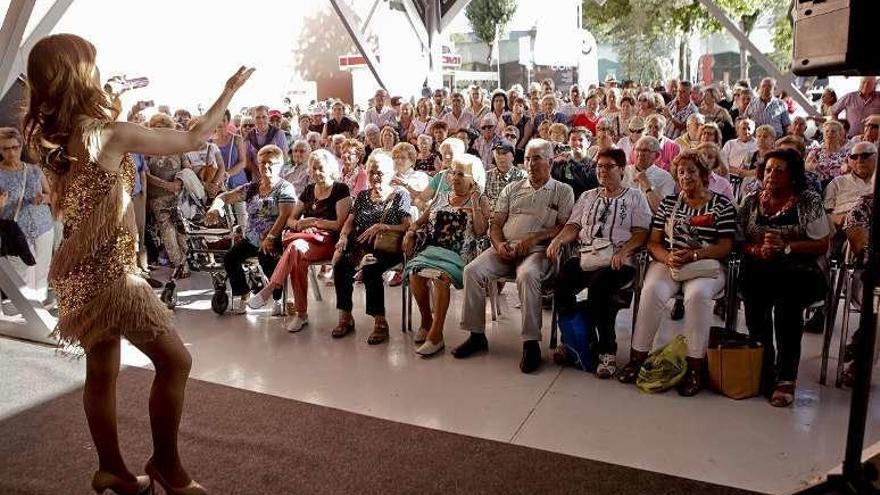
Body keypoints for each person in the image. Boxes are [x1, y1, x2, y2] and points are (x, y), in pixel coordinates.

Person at [22, 33, 253, 494]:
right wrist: (227, 92)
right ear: (78, 74)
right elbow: (193, 137)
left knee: (101, 370)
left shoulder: (56, 139)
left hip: (79, 273)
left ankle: (113, 470)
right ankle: (167, 465)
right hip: (112, 274)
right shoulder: (109, 134)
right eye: (92, 63)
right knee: (176, 363)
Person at [618, 150, 736, 396]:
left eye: (691, 171)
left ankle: (695, 367)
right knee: (651, 290)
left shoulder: (721, 205)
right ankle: (638, 356)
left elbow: (725, 245)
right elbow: (653, 242)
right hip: (669, 261)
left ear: (703, 174)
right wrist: (667, 257)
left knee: (697, 297)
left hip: (705, 264)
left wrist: (694, 255)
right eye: (681, 172)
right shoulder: (670, 204)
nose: (685, 177)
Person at [454, 139, 575, 373]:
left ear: (550, 161)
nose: (530, 163)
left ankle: (531, 344)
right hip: (506, 249)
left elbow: (564, 226)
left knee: (527, 275)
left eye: (537, 158)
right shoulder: (512, 188)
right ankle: (477, 335)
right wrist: (498, 244)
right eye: (528, 158)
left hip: (539, 252)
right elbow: (496, 222)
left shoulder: (563, 190)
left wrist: (533, 239)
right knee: (472, 271)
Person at [738, 148, 831, 407]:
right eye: (768, 169)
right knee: (755, 302)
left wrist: (787, 247)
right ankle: (765, 369)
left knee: (787, 308)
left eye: (780, 170)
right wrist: (758, 249)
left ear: (793, 175)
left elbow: (822, 243)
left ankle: (786, 376)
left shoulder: (807, 200)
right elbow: (739, 241)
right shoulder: (751, 200)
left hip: (801, 271)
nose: (772, 175)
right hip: (761, 267)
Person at [547, 148, 651, 378]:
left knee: (599, 287)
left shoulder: (635, 197)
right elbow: (573, 227)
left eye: (609, 166)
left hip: (618, 259)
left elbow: (641, 233)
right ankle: (573, 340)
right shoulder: (588, 196)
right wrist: (558, 240)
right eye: (599, 166)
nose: (602, 171)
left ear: (622, 169)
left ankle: (607, 350)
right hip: (588, 254)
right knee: (562, 280)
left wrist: (625, 251)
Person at [249, 149, 351, 332]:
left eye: (321, 168)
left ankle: (277, 292)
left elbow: (340, 224)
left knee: (295, 249)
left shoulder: (340, 189)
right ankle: (299, 312)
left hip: (328, 242)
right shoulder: (309, 190)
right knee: (297, 255)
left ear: (330, 169)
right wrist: (300, 225)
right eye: (313, 169)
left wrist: (316, 222)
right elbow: (290, 219)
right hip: (305, 240)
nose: (317, 173)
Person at [403, 154, 489, 356]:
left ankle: (436, 335)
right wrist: (410, 231)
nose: (455, 177)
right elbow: (421, 221)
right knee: (415, 272)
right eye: (452, 173)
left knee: (441, 278)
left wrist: (475, 202)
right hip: (432, 250)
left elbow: (480, 231)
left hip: (461, 254)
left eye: (461, 174)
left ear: (473, 179)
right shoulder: (442, 197)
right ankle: (426, 321)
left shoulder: (480, 200)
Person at [331, 151, 412, 344]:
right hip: (362, 246)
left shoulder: (400, 195)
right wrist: (343, 236)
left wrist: (383, 226)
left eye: (380, 173)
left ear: (391, 173)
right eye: (372, 172)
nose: (375, 176)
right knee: (341, 265)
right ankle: (345, 316)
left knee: (371, 269)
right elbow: (350, 221)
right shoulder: (362, 196)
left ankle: (380, 322)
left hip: (388, 247)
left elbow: (408, 226)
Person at [208, 145, 296, 314]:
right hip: (252, 239)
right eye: (262, 162)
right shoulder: (252, 188)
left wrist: (270, 237)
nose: (266, 167)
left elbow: (284, 215)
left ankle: (278, 299)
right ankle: (243, 293)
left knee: (267, 258)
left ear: (280, 165)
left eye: (271, 163)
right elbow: (224, 197)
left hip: (275, 238)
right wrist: (215, 208)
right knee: (230, 258)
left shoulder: (285, 188)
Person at [0, 127, 53, 302]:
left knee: (42, 268)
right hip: (17, 231)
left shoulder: (34, 170)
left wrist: (45, 198)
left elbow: (53, 195)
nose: (11, 152)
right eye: (5, 148)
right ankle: (29, 308)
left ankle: (40, 305)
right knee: (24, 272)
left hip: (43, 226)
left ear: (21, 146)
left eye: (15, 147)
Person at [143, 113, 192, 278]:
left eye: (162, 127)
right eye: (155, 127)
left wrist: (178, 182)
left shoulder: (178, 147)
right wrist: (166, 185)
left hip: (178, 196)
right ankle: (179, 265)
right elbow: (146, 174)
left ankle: (185, 261)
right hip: (157, 197)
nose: (159, 130)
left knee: (181, 231)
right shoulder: (147, 148)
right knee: (167, 231)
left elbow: (187, 168)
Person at [824, 142, 877, 230]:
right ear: (849, 161)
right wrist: (839, 219)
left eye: (865, 155)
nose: (859, 160)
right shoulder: (837, 182)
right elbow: (825, 213)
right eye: (854, 157)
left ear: (876, 157)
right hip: (846, 227)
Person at [213, 110, 248, 228]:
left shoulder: (237, 139)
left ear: (228, 121)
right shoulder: (209, 143)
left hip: (238, 183)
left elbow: (243, 162)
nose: (220, 123)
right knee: (227, 219)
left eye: (223, 120)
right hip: (220, 186)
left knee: (242, 216)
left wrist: (227, 173)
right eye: (217, 119)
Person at [622, 136, 676, 212]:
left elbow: (663, 212)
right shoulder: (622, 172)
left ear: (657, 155)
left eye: (645, 150)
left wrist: (647, 185)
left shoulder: (665, 178)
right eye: (637, 150)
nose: (640, 154)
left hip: (650, 222)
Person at [551, 127, 598, 200]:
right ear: (568, 143)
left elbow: (586, 185)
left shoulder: (594, 166)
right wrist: (552, 164)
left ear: (588, 143)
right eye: (573, 139)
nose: (577, 143)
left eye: (581, 140)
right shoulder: (560, 163)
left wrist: (571, 160)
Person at [245, 105, 289, 177]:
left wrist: (272, 171)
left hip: (276, 176)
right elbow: (247, 161)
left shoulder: (278, 133)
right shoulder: (249, 136)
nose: (261, 120)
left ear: (268, 118)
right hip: (258, 177)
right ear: (253, 119)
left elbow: (285, 156)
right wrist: (258, 172)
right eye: (257, 117)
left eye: (264, 117)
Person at [485, 141, 526, 214]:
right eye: (498, 153)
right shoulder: (486, 177)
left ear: (513, 157)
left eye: (504, 153)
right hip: (490, 220)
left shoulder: (522, 177)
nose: (501, 157)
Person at [806, 120, 850, 187]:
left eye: (833, 131)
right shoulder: (815, 152)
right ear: (823, 134)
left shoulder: (846, 153)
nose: (829, 133)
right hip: (819, 185)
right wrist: (811, 167)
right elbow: (807, 169)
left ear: (840, 135)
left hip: (839, 186)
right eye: (827, 131)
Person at [390, 142, 431, 212]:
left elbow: (425, 201)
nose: (398, 161)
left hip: (411, 214)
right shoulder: (388, 177)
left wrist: (405, 185)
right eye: (395, 157)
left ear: (412, 161)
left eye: (403, 158)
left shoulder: (420, 176)